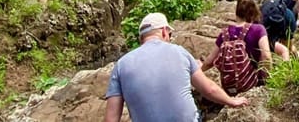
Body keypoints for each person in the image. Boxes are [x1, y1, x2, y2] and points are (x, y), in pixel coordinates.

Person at [104, 12, 248, 122]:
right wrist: (232, 101)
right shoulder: (179, 52)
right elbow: (209, 89)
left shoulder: (121, 65)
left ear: (141, 38)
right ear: (164, 32)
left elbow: (111, 118)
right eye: (170, 34)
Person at [200, 0, 273, 91]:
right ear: (253, 13)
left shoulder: (225, 32)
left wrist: (197, 73)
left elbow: (209, 62)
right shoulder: (258, 29)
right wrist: (268, 80)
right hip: (252, 83)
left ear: (236, 12)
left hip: (229, 85)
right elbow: (266, 56)